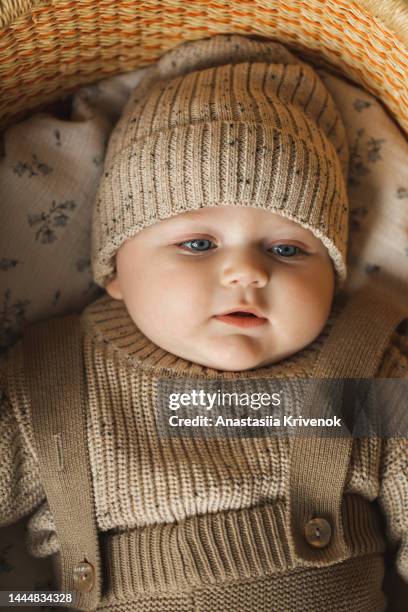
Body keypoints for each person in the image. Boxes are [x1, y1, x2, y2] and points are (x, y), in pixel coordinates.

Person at [0, 34, 407, 611]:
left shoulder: (357, 369)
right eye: (197, 243)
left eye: (289, 250)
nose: (246, 272)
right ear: (116, 268)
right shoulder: (54, 383)